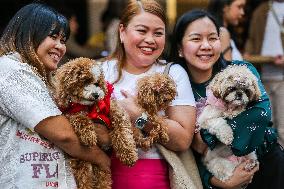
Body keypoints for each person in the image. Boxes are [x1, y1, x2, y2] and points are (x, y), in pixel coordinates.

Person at [169, 9, 284, 189]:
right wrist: (215, 181)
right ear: (179, 49)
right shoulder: (177, 90)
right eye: (196, 38)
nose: (206, 45)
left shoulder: (241, 69)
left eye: (213, 38)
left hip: (266, 164)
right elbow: (184, 152)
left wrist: (205, 137)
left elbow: (260, 114)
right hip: (221, 175)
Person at [0, 3, 110, 188]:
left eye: (64, 40)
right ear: (29, 35)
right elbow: (64, 135)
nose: (60, 47)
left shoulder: (47, 78)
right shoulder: (11, 69)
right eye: (53, 37)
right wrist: (102, 159)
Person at [101, 0, 200, 188]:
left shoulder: (173, 73)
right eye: (142, 30)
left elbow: (182, 140)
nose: (150, 39)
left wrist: (139, 116)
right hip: (102, 172)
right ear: (122, 32)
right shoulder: (101, 71)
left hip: (153, 177)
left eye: (158, 33)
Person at [244, 0, 284, 147]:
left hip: (282, 79)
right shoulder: (261, 10)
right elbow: (251, 39)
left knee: (283, 128)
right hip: (262, 77)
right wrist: (249, 54)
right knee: (267, 125)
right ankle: (272, 163)